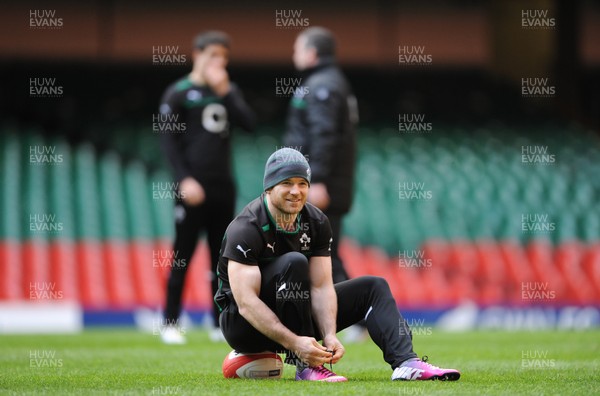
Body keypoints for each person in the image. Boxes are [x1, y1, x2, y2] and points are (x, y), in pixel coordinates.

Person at [214, 148, 460, 382]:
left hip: (295, 317)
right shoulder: (246, 228)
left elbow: (322, 287)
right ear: (268, 188)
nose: (295, 191)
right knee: (294, 262)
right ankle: (307, 367)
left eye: (302, 184)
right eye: (286, 183)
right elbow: (246, 303)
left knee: (373, 287)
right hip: (243, 325)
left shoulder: (317, 221)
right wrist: (295, 344)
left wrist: (330, 334)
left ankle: (406, 363)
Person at [158, 30, 256, 344]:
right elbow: (168, 143)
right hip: (191, 188)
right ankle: (170, 322)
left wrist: (227, 91)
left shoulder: (227, 91)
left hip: (222, 187)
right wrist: (184, 179)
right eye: (214, 55)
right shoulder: (179, 92)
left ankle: (218, 322)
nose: (219, 62)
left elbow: (250, 124)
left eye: (224, 57)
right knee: (182, 256)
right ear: (197, 54)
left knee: (222, 259)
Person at [283, 27, 358, 285]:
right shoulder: (329, 81)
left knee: (322, 255)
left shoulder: (322, 85)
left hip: (320, 186)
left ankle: (364, 315)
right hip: (321, 183)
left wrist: (318, 180)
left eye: (297, 48)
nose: (294, 53)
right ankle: (360, 318)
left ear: (311, 53)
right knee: (321, 255)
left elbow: (324, 135)